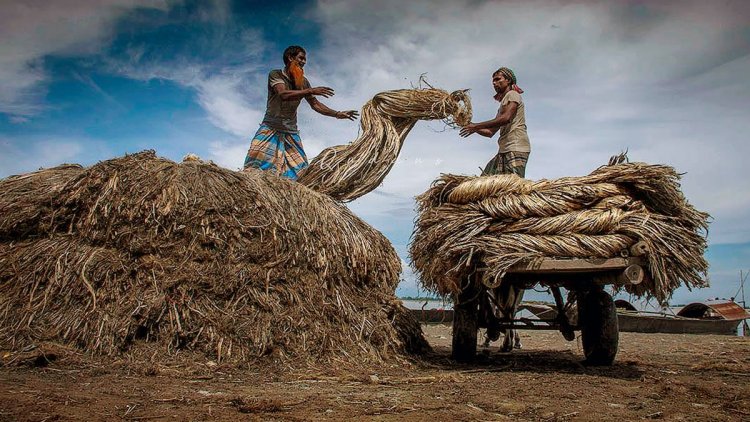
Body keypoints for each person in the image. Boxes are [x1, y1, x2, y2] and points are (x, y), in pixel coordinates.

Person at [243, 45, 359, 179]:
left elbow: (315, 104)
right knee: (255, 169)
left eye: (305, 59)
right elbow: (283, 94)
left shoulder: (303, 82)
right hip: (270, 128)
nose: (304, 62)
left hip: (290, 132)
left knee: (300, 173)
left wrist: (337, 114)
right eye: (301, 58)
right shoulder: (276, 74)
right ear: (290, 58)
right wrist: (310, 91)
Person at [459, 67, 530, 178]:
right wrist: (470, 126)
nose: (494, 83)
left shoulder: (513, 94)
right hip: (504, 149)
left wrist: (476, 126)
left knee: (513, 185)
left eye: (498, 79)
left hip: (515, 147)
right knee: (485, 180)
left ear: (508, 80)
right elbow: (490, 132)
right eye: (493, 81)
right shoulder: (503, 103)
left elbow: (506, 118)